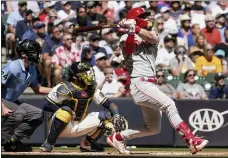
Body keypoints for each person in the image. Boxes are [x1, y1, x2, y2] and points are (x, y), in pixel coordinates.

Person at [107, 7, 209, 154]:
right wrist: (130, 30)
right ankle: (190, 140)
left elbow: (152, 38)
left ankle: (118, 137)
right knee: (170, 104)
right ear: (136, 18)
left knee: (153, 128)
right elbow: (128, 49)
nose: (147, 18)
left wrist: (133, 27)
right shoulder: (124, 38)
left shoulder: (152, 33)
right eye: (144, 16)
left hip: (150, 84)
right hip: (139, 83)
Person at [40, 62, 128, 152]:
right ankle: (49, 143)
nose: (88, 73)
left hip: (79, 124)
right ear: (75, 75)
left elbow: (110, 104)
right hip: (59, 125)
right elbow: (46, 104)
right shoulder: (64, 87)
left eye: (88, 70)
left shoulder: (91, 88)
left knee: (107, 116)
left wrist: (116, 115)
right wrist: (66, 110)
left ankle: (86, 144)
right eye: (84, 71)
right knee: (65, 112)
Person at [1, 40, 51, 152]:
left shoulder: (32, 69)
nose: (37, 54)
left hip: (11, 102)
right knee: (19, 113)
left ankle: (12, 142)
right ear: (23, 54)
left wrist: (58, 89)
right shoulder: (12, 66)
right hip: (2, 101)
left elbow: (38, 90)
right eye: (34, 51)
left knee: (38, 115)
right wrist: (2, 107)